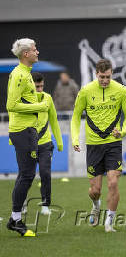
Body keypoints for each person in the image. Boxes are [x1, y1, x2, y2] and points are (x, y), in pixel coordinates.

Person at [71, 59, 126, 232]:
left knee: (113, 183)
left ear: (112, 73)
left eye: (107, 77)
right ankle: (96, 206)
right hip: (93, 145)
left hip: (113, 144)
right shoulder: (85, 91)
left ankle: (109, 223)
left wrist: (123, 132)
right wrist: (75, 139)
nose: (104, 80)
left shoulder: (121, 90)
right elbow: (76, 116)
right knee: (95, 190)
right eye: (101, 77)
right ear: (96, 74)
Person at [6, 38, 50, 237]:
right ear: (26, 54)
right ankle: (15, 219)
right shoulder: (19, 75)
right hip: (23, 131)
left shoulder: (26, 73)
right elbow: (11, 105)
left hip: (28, 130)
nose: (37, 52)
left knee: (26, 174)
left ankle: (15, 218)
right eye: (34, 49)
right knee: (27, 175)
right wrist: (39, 107)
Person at [32, 72, 63, 215]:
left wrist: (59, 141)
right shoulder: (23, 100)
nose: (40, 89)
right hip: (28, 144)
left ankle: (45, 205)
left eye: (41, 86)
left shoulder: (48, 98)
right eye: (37, 86)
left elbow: (54, 121)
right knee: (26, 176)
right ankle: (20, 206)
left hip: (45, 144)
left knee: (45, 174)